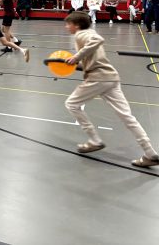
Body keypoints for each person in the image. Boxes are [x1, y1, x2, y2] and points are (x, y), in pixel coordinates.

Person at [63, 12, 159, 167]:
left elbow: (98, 40)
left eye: (68, 24)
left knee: (71, 104)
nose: (67, 27)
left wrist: (76, 57)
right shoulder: (89, 33)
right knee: (127, 117)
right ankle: (150, 152)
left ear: (77, 25)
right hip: (111, 77)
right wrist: (76, 65)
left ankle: (94, 140)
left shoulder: (81, 35)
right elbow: (92, 60)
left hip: (97, 78)